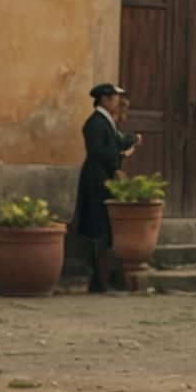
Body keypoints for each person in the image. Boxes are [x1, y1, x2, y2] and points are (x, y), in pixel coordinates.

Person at [73, 83, 127, 293]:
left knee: (104, 227)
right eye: (114, 97)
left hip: (103, 177)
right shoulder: (95, 123)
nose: (118, 101)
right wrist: (119, 150)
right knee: (97, 227)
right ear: (103, 99)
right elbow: (99, 152)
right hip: (96, 179)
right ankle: (99, 280)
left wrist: (125, 143)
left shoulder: (106, 122)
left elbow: (110, 147)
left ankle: (101, 279)